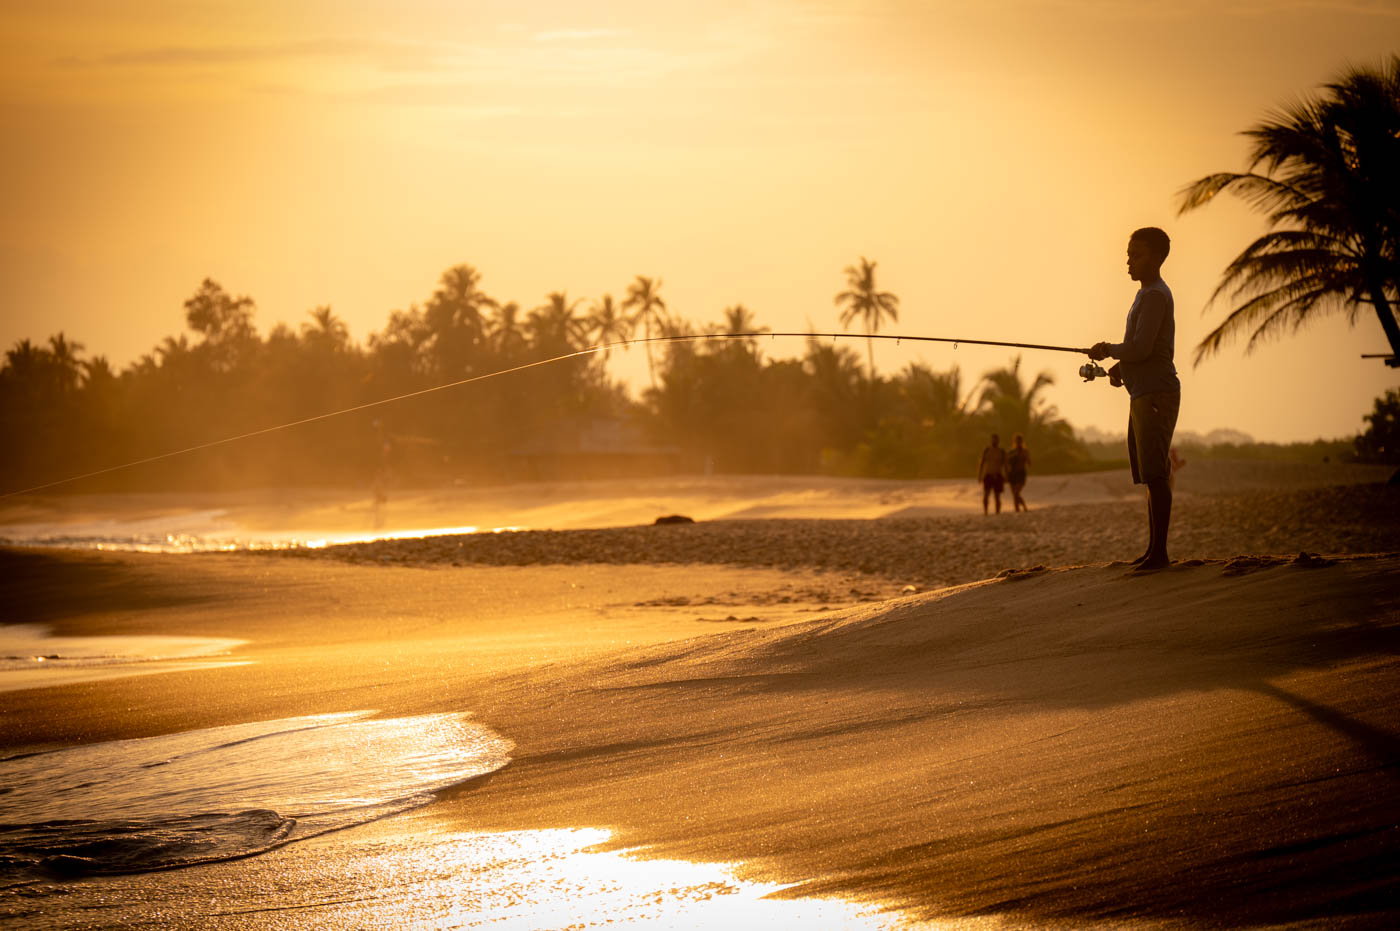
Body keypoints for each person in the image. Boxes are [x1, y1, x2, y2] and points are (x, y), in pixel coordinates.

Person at [1089, 226, 1180, 572]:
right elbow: (1142, 350)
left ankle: (1159, 555)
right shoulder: (1145, 295)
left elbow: (1142, 348)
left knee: (1156, 476)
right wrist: (1119, 368)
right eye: (1128, 254)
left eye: (1136, 254)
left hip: (1156, 393)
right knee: (1149, 475)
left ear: (1155, 257)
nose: (1128, 261)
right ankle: (1153, 550)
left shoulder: (1156, 295)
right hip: (1143, 392)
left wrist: (1109, 350)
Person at [977, 433, 1007, 514]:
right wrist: (979, 475)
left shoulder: (1001, 451)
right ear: (991, 440)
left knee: (997, 496)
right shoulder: (987, 450)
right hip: (988, 474)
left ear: (998, 441)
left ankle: (997, 512)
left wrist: (1006, 476)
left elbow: (1005, 465)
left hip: (998, 475)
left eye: (996, 439)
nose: (994, 441)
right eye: (993, 439)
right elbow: (982, 463)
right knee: (986, 494)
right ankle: (985, 512)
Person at [1006, 433, 1030, 512]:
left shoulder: (1025, 451)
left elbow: (1029, 463)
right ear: (1015, 442)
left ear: (1022, 442)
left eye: (1020, 441)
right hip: (1013, 474)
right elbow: (1007, 463)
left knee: (1016, 493)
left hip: (1021, 474)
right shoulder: (1012, 451)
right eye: (1017, 441)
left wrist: (1024, 457)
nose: (1018, 443)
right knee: (1014, 494)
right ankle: (1017, 509)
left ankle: (1024, 507)